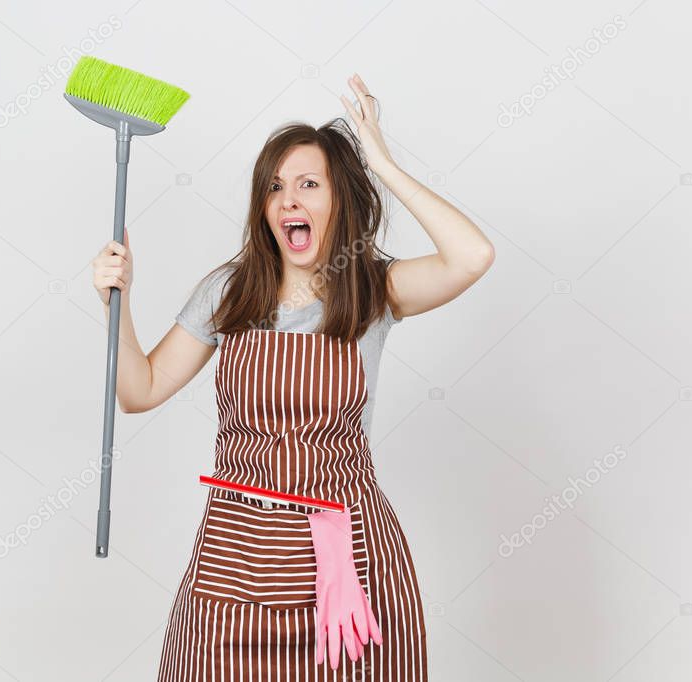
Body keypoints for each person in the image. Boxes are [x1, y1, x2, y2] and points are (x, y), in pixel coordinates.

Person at [91, 73, 494, 681]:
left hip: (345, 561)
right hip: (235, 560)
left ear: (342, 200)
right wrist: (114, 303)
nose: (289, 201)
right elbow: (138, 391)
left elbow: (472, 256)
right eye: (276, 187)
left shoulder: (374, 290)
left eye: (309, 184)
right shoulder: (228, 293)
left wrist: (380, 162)